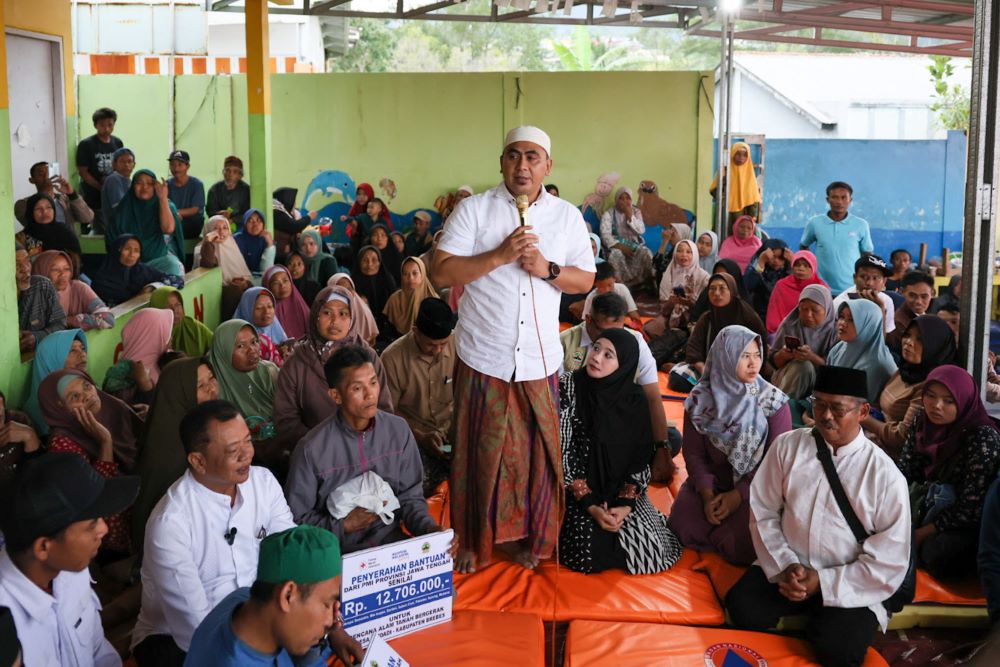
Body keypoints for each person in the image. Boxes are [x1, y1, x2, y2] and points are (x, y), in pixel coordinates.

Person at [433, 126, 596, 573]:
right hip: (484, 356)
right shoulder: (475, 211)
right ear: (501, 162)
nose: (522, 165)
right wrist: (499, 255)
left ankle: (532, 538)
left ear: (548, 166)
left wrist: (548, 269)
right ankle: (473, 539)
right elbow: (441, 272)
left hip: (539, 360)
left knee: (538, 456)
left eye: (532, 157)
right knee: (479, 454)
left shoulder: (566, 217)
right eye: (513, 156)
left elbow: (585, 280)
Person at [726, 365, 911, 667]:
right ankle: (801, 596)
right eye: (819, 404)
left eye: (837, 408)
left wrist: (821, 582)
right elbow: (764, 511)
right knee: (743, 608)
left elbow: (888, 558)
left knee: (839, 649)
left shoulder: (885, 476)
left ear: (863, 411)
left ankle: (822, 611)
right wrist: (786, 565)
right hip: (789, 566)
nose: (825, 416)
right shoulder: (788, 446)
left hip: (850, 580)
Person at [132, 400, 295, 665]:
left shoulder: (263, 483)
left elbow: (290, 554)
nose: (247, 455)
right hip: (178, 638)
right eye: (233, 450)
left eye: (248, 441)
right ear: (198, 461)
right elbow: (197, 627)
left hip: (256, 615)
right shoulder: (171, 523)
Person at [285, 346, 440, 552]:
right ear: (336, 395)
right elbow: (296, 520)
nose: (370, 394)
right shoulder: (311, 449)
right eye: (357, 388)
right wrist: (343, 526)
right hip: (336, 551)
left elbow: (410, 497)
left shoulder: (398, 431)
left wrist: (428, 528)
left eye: (373, 383)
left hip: (390, 542)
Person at [558, 328, 684, 574]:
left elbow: (639, 461)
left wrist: (625, 505)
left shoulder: (635, 400)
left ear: (625, 363)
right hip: (576, 490)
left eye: (608, 355)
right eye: (596, 349)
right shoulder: (569, 386)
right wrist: (591, 504)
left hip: (619, 490)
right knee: (583, 554)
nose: (596, 358)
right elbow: (564, 451)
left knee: (653, 552)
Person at [0, 451, 138, 667]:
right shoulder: (6, 626)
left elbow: (98, 650)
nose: (103, 528)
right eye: (92, 524)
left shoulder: (71, 570)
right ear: (43, 547)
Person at [672, 325, 791, 565]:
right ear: (724, 356)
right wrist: (706, 494)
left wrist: (738, 495)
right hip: (713, 484)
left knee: (741, 544)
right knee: (682, 524)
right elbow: (694, 454)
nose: (753, 363)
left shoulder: (773, 402)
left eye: (757, 355)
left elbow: (776, 463)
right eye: (744, 356)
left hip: (756, 491)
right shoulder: (699, 400)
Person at [185, 525, 362, 667]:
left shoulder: (246, 601)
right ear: (287, 595)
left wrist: (320, 638)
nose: (333, 620)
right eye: (327, 604)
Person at [896, 366, 1000, 581]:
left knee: (937, 554)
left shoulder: (982, 438)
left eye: (949, 401)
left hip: (964, 523)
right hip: (925, 504)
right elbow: (903, 473)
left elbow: (971, 509)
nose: (936, 406)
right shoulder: (922, 421)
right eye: (930, 396)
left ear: (963, 401)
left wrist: (919, 535)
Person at [39, 369, 142, 556]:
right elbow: (94, 500)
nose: (87, 396)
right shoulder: (62, 444)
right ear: (60, 408)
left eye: (87, 386)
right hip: (108, 537)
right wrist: (105, 443)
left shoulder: (113, 407)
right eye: (74, 397)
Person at [274, 286, 393, 445]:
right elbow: (286, 421)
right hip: (316, 451)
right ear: (315, 315)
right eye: (327, 313)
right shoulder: (297, 363)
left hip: (366, 445)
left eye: (343, 313)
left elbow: (384, 409)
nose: (335, 321)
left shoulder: (368, 357)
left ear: (352, 318)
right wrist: (327, 444)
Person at [131, 357, 219, 560]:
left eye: (212, 378)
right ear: (180, 394)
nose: (211, 388)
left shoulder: (204, 425)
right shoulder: (169, 450)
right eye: (200, 385)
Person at [381, 297, 457, 496]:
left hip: (453, 432)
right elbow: (387, 412)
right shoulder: (392, 358)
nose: (439, 350)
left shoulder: (459, 346)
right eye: (431, 345)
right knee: (415, 487)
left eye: (443, 344)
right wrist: (420, 436)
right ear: (415, 332)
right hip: (412, 436)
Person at [863, 316, 957, 457]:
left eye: (920, 339)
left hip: (893, 458)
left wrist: (861, 417)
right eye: (907, 335)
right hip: (874, 442)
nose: (909, 343)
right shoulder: (905, 371)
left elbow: (901, 439)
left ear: (936, 346)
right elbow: (879, 404)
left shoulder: (931, 387)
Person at [207, 320, 280, 452]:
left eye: (254, 342)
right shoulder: (211, 386)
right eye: (240, 346)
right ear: (224, 352)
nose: (252, 351)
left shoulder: (269, 372)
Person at [685, 272, 767, 377]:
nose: (717, 293)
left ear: (732, 290)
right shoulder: (707, 318)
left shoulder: (747, 317)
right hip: (711, 372)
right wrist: (704, 370)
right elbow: (694, 350)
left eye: (722, 288)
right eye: (712, 289)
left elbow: (761, 349)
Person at [107, 169, 186, 277]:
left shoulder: (164, 205)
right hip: (129, 264)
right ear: (132, 186)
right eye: (139, 183)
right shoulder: (123, 208)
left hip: (159, 259)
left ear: (155, 187)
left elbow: (168, 229)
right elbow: (112, 240)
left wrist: (162, 198)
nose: (144, 187)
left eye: (149, 184)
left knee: (174, 268)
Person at [770, 285, 838, 409]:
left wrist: (812, 357)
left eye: (815, 310)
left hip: (823, 383)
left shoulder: (836, 330)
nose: (808, 315)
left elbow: (835, 371)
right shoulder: (790, 324)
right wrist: (784, 355)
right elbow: (774, 364)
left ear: (827, 309)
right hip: (787, 379)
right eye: (803, 309)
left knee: (805, 365)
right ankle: (781, 409)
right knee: (802, 366)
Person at [800, 181, 874, 293]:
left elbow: (867, 254)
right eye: (834, 197)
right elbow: (804, 246)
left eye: (844, 197)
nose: (839, 202)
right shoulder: (815, 223)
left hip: (852, 288)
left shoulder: (861, 225)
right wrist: (811, 270)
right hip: (821, 287)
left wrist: (864, 279)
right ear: (828, 200)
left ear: (850, 200)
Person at [826, 299, 897, 405]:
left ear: (869, 325)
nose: (842, 323)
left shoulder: (878, 364)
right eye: (841, 317)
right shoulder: (838, 349)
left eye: (851, 320)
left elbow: (859, 407)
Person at [102, 308, 175, 405]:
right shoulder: (122, 385)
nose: (170, 338)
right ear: (152, 337)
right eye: (165, 333)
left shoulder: (166, 362)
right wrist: (146, 387)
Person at [23, 328, 88, 435]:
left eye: (83, 348)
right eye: (72, 350)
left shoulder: (89, 389)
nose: (83, 354)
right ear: (50, 360)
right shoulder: (36, 418)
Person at [31, 250, 114, 331]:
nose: (63, 274)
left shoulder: (78, 288)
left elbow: (108, 319)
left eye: (67, 269)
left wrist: (70, 320)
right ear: (42, 272)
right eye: (55, 270)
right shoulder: (33, 296)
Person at [91, 235, 183, 307]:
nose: (132, 254)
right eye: (127, 249)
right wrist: (137, 298)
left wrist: (152, 287)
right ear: (117, 250)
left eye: (136, 250)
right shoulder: (102, 279)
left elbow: (178, 281)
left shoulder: (142, 271)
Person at [645, 238, 709, 343]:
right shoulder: (669, 273)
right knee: (649, 329)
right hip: (670, 315)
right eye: (679, 250)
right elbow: (664, 309)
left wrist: (690, 303)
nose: (683, 254)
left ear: (695, 255)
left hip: (694, 317)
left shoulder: (704, 277)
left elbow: (705, 306)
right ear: (674, 253)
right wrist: (671, 303)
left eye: (689, 252)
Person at [195, 214, 254, 316]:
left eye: (225, 228)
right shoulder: (200, 249)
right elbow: (207, 264)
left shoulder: (232, 245)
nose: (221, 232)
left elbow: (245, 274)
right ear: (208, 230)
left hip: (235, 291)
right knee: (233, 292)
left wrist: (245, 283)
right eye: (215, 228)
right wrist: (208, 241)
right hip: (215, 292)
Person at [14, 161, 94, 230]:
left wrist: (72, 194)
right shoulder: (23, 204)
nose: (46, 178)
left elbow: (87, 218)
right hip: (44, 247)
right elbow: (32, 226)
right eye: (41, 174)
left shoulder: (65, 199)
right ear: (32, 180)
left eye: (49, 173)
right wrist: (45, 195)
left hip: (68, 246)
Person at [15, 244, 65, 354]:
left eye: (27, 261)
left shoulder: (41, 286)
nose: (26, 268)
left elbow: (60, 324)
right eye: (16, 264)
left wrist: (37, 337)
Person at [599, 187, 652, 288]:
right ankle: (621, 286)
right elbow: (605, 235)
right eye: (621, 198)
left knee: (646, 253)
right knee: (616, 255)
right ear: (616, 200)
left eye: (627, 198)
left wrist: (630, 216)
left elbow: (641, 230)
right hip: (617, 246)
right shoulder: (609, 214)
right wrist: (622, 247)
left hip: (634, 246)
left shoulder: (636, 212)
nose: (624, 201)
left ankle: (642, 283)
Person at [76, 107, 124, 218]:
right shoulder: (86, 144)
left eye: (110, 125)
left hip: (113, 192)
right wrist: (101, 187)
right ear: (95, 125)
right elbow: (83, 172)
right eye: (102, 125)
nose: (106, 128)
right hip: (93, 194)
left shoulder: (118, 142)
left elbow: (120, 167)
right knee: (99, 224)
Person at [833, 255, 897, 335]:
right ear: (854, 278)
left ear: (884, 281)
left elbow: (883, 339)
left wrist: (880, 308)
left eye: (876, 278)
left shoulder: (886, 301)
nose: (869, 283)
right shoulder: (841, 302)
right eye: (864, 277)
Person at [765, 250, 825, 334]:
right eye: (797, 265)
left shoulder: (821, 289)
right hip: (783, 332)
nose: (801, 268)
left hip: (814, 333)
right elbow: (774, 315)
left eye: (806, 265)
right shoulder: (782, 285)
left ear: (813, 268)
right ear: (792, 266)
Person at [383, 256, 439, 339]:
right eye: (405, 274)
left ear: (422, 274)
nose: (410, 278)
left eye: (415, 273)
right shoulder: (394, 300)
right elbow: (388, 333)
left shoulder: (434, 301)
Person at [149, 286, 214, 357]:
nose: (175, 310)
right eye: (168, 307)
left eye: (178, 305)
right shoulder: (151, 336)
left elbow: (216, 345)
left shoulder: (193, 326)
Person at [233, 287, 289, 366]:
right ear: (247, 310)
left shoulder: (277, 330)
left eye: (270, 306)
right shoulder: (236, 337)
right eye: (259, 308)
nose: (266, 312)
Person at [353, 246, 398, 345]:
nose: (370, 264)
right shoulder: (352, 284)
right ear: (359, 263)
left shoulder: (388, 281)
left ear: (380, 262)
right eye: (365, 260)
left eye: (374, 260)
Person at [20, 192, 83, 260]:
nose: (44, 212)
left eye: (49, 207)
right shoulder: (22, 237)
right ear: (30, 212)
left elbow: (76, 261)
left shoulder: (65, 233)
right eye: (38, 209)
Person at [709, 142, 761, 225]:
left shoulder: (750, 175)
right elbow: (714, 189)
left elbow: (753, 199)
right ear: (732, 154)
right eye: (738, 154)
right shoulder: (725, 171)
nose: (741, 157)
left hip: (743, 215)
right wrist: (723, 198)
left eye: (744, 155)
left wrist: (751, 218)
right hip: (724, 212)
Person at [743, 239, 793, 324]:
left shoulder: (787, 271)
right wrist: (761, 263)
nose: (776, 261)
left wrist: (793, 263)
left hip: (784, 318)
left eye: (781, 258)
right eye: (773, 256)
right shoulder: (756, 267)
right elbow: (746, 287)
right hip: (759, 316)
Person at [886, 271, 936, 353]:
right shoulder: (899, 324)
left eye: (924, 297)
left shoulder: (929, 316)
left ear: (932, 294)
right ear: (901, 292)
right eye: (912, 296)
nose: (918, 302)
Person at [689, 258, 747, 323]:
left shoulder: (744, 307)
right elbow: (694, 319)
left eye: (726, 275)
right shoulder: (707, 294)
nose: (716, 293)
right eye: (717, 274)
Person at [327, 273, 379, 345]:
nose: (346, 292)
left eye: (349, 289)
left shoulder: (363, 310)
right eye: (340, 289)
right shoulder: (325, 311)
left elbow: (370, 339)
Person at [262, 265, 310, 341]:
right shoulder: (265, 312)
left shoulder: (301, 307)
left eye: (285, 281)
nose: (282, 286)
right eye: (275, 283)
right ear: (268, 287)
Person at [166, 150, 206, 239]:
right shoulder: (167, 185)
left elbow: (195, 209)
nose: (176, 168)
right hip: (172, 219)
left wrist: (175, 213)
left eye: (180, 165)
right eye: (172, 165)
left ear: (187, 166)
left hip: (191, 223)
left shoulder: (197, 184)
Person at [272, 187, 316, 258]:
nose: (294, 203)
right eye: (293, 200)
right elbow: (294, 226)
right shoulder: (277, 212)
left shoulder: (284, 212)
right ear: (287, 199)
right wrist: (309, 217)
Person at [206, 156, 251, 224]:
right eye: (227, 170)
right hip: (219, 223)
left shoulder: (246, 190)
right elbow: (211, 212)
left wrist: (233, 220)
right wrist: (219, 214)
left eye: (235, 172)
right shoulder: (214, 190)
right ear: (223, 173)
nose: (230, 174)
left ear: (240, 175)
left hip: (241, 225)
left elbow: (248, 214)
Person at [100, 148, 135, 232]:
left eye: (129, 161)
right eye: (122, 161)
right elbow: (120, 208)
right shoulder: (114, 179)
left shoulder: (128, 181)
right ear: (114, 165)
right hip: (117, 230)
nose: (126, 165)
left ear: (134, 165)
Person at [234, 208, 275, 274]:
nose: (255, 224)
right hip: (240, 277)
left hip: (261, 277)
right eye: (250, 221)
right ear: (244, 224)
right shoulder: (237, 239)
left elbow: (267, 270)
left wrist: (270, 245)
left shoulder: (266, 239)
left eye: (258, 220)